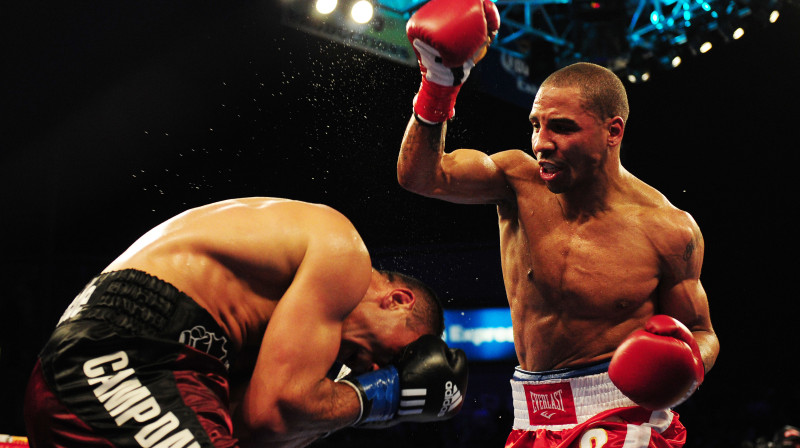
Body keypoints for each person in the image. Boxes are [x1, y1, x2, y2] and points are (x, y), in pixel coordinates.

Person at [399, 0, 720, 445]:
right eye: (536, 125)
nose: (541, 143)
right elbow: (420, 177)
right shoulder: (515, 181)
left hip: (621, 416)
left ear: (613, 131)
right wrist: (438, 86)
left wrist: (687, 365)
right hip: (531, 418)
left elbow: (702, 332)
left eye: (562, 128)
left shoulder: (668, 229)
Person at [23, 197, 468, 448]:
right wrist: (387, 397)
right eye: (396, 355)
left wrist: (350, 405)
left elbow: (256, 429)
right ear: (397, 301)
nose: (375, 368)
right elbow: (277, 413)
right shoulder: (345, 254)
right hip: (122, 354)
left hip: (114, 368)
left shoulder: (281, 329)